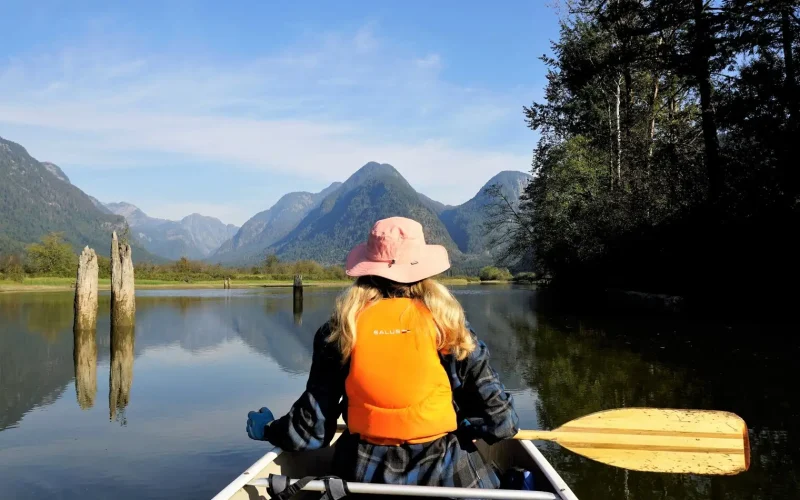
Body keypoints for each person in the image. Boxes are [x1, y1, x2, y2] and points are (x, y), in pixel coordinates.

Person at [246, 216, 518, 492]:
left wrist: (269, 429)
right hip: (447, 478)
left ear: (366, 271)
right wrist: (467, 426)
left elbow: (310, 431)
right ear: (424, 271)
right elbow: (502, 422)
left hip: (363, 478)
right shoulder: (451, 328)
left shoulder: (340, 332)